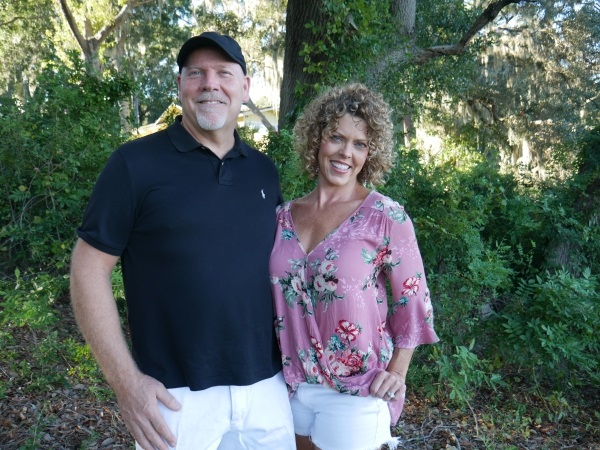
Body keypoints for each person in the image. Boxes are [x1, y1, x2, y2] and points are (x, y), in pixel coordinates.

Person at [70, 32, 295, 450]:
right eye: (197, 73)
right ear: (180, 86)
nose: (210, 83)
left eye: (224, 73)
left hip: (268, 388)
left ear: (245, 88)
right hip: (176, 398)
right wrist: (126, 383)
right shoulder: (134, 165)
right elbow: (87, 270)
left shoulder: (263, 171)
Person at [269, 83, 439, 450]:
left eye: (359, 144)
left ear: (370, 152)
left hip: (357, 391)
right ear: (316, 140)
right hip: (289, 386)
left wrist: (398, 371)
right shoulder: (282, 217)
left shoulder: (384, 216)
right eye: (336, 137)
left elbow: (414, 299)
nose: (346, 152)